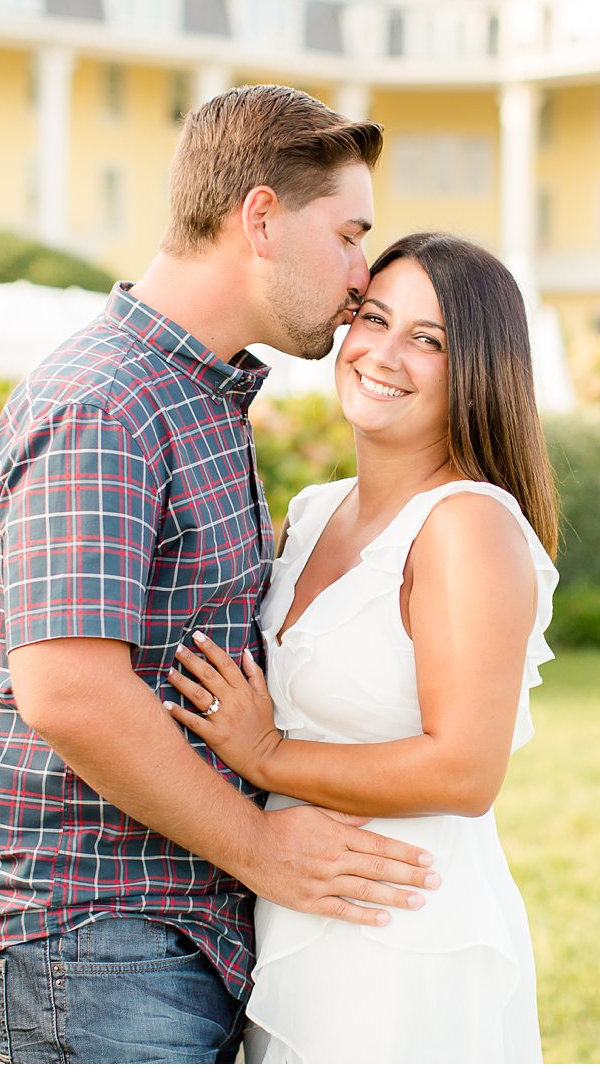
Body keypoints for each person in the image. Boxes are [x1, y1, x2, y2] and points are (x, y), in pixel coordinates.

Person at [0, 84, 440, 1065]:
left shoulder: (193, 391)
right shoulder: (107, 404)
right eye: (346, 235)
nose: (357, 276)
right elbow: (69, 689)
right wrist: (260, 849)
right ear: (258, 217)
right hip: (92, 936)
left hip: (160, 933)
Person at [165, 233, 558, 1062]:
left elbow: (465, 770)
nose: (383, 352)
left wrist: (267, 752)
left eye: (429, 338)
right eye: (373, 318)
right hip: (298, 918)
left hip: (404, 937)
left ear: (478, 369)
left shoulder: (466, 525)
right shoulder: (314, 513)